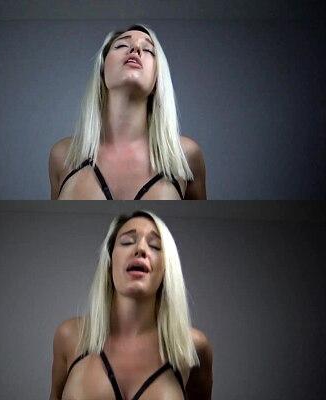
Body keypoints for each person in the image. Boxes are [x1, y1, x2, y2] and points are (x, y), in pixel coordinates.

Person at [50, 211, 212, 399]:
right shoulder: (70, 336)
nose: (141, 248)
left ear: (167, 268)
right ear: (109, 262)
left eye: (155, 246)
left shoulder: (193, 347)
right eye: (127, 242)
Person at [49, 25, 206, 200]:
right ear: (102, 71)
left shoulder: (186, 156)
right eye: (122, 45)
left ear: (157, 79)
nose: (136, 49)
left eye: (149, 50)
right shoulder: (63, 155)